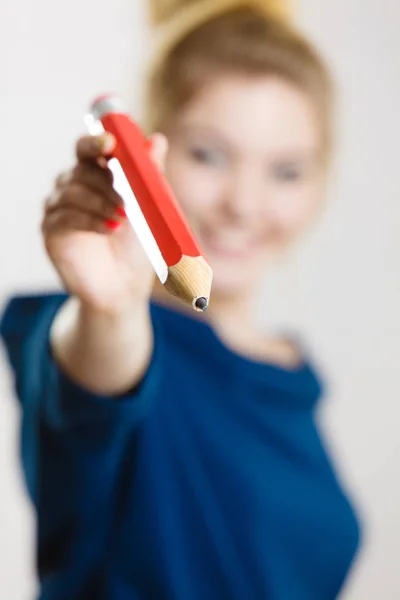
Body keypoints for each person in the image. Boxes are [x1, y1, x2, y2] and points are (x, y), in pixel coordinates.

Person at [0, 0, 361, 598]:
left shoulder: (293, 376)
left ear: (322, 181)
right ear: (151, 158)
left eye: (287, 170)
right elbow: (96, 383)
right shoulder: (117, 341)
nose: (244, 204)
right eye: (209, 155)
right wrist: (110, 310)